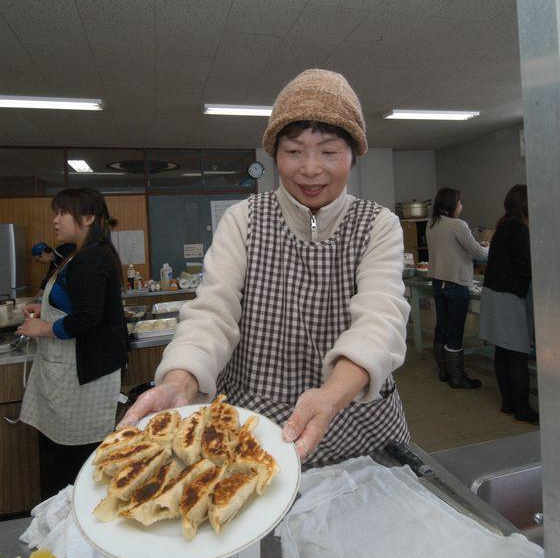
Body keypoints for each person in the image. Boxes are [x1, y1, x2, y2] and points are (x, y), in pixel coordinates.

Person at [121, 68, 410, 465]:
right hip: (256, 422)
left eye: (329, 152)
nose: (310, 168)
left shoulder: (377, 224)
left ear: (353, 156)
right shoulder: (245, 219)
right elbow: (212, 313)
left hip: (353, 416)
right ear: (274, 155)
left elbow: (381, 318)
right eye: (293, 152)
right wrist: (180, 381)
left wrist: (330, 394)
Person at [17, 188, 129, 498]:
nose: (55, 220)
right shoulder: (77, 252)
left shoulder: (92, 258)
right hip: (70, 373)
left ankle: (73, 528)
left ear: (88, 218)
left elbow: (86, 320)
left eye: (62, 213)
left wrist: (42, 328)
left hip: (84, 376)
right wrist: (45, 309)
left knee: (75, 465)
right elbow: (75, 302)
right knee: (62, 457)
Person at [479, 185, 538, 424]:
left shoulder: (503, 226)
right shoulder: (519, 229)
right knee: (518, 354)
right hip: (509, 297)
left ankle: (508, 403)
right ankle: (522, 409)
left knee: (502, 351)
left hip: (493, 293)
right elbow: (525, 267)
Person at [426, 187, 489, 389]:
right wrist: (491, 246)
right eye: (460, 202)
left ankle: (443, 372)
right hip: (455, 283)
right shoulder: (457, 225)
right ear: (452, 204)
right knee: (455, 330)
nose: (461, 206)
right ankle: (458, 377)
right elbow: (478, 253)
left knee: (442, 327)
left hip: (438, 282)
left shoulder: (432, 223)